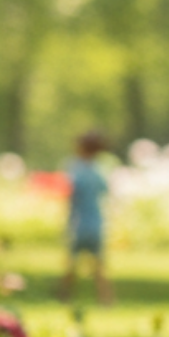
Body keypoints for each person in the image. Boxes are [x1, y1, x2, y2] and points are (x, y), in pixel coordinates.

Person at [59, 131, 112, 305]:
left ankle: (65, 295)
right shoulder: (98, 170)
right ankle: (105, 299)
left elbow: (69, 192)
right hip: (96, 222)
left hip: (79, 223)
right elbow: (105, 190)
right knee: (99, 266)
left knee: (71, 264)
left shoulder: (75, 169)